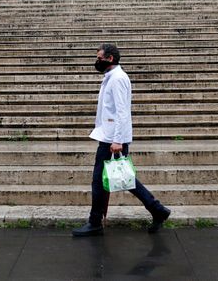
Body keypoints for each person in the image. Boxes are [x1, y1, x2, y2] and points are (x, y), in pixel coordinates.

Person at [72, 44, 171, 237]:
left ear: (109, 58)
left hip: (112, 140)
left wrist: (117, 140)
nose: (96, 60)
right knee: (122, 179)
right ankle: (157, 210)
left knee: (101, 181)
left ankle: (95, 222)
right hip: (109, 137)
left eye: (99, 57)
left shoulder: (117, 79)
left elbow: (122, 112)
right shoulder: (112, 77)